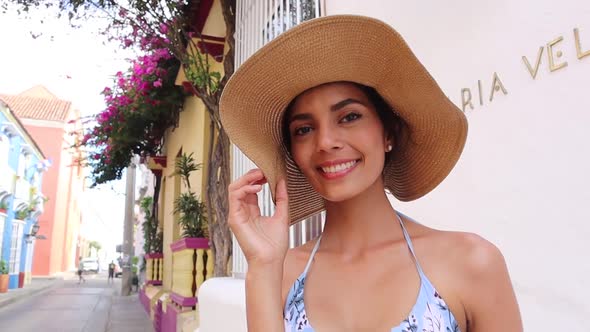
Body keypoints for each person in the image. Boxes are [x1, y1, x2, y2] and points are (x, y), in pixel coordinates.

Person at [220, 15, 523, 331]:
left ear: (388, 133)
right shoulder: (278, 275)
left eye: (349, 117)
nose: (325, 142)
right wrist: (263, 265)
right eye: (304, 129)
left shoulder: (471, 262)